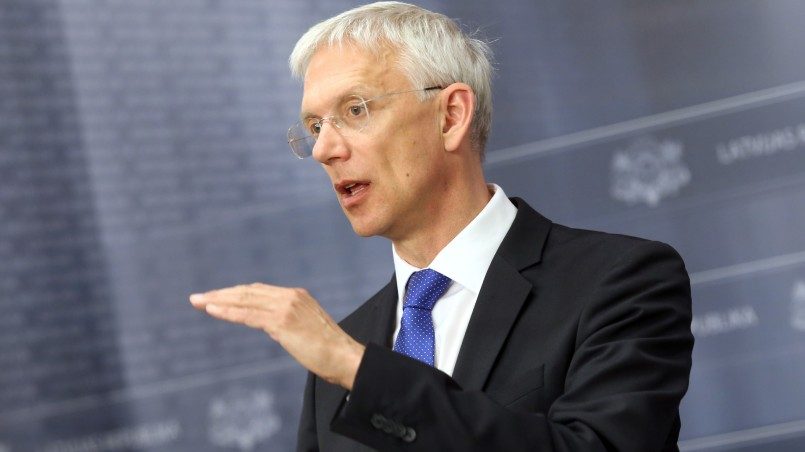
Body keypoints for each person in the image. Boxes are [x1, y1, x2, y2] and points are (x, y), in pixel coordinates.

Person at [189, 2, 694, 451]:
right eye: (315, 126)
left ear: (451, 116)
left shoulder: (618, 281)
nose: (323, 149)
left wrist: (360, 371)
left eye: (355, 110)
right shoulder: (344, 347)